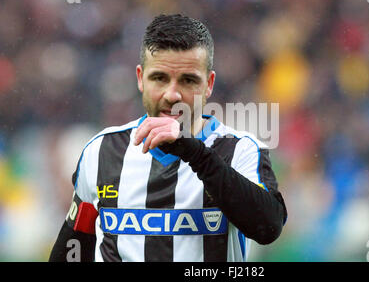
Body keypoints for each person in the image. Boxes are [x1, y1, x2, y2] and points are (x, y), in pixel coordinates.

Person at [49, 14, 287, 262]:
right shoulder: (101, 152)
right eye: (160, 78)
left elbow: (268, 228)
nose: (172, 94)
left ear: (209, 84)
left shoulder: (240, 150)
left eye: (188, 80)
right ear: (141, 78)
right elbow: (71, 251)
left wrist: (194, 152)